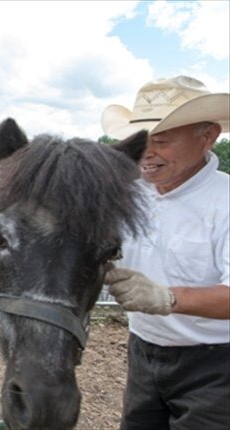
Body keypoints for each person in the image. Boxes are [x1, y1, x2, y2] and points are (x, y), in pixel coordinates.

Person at [101, 75, 230, 430]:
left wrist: (166, 297)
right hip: (143, 349)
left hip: (216, 366)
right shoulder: (129, 194)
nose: (146, 153)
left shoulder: (225, 202)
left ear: (208, 136)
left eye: (162, 141)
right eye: (141, 141)